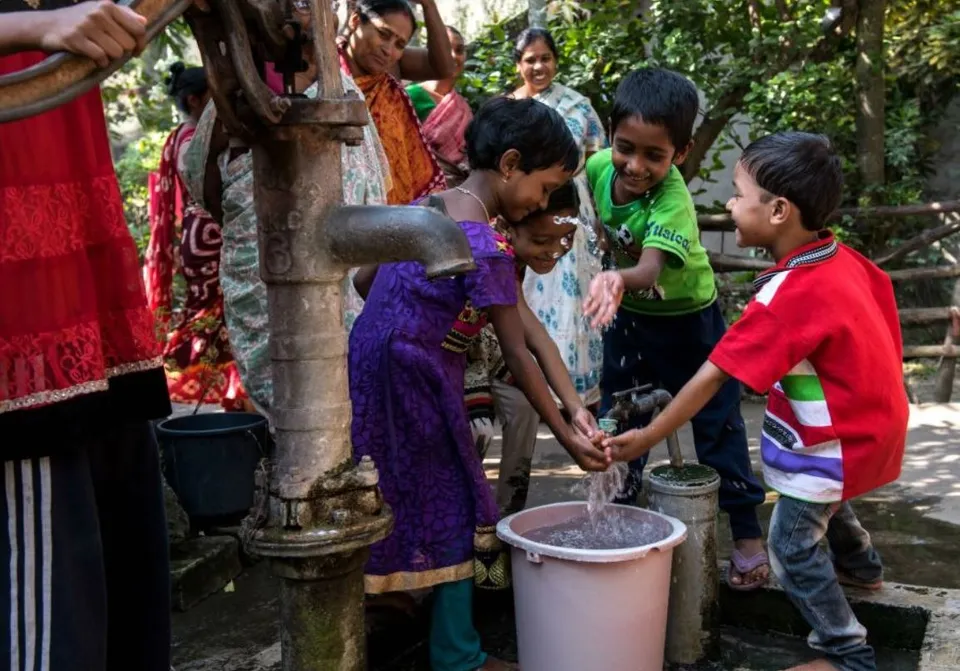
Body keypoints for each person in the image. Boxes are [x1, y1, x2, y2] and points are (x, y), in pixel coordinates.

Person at [599, 132, 909, 671]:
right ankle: (861, 566)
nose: (729, 204)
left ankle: (847, 651)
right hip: (870, 426)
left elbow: (711, 377)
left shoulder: (785, 297)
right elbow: (882, 305)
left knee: (790, 548)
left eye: (739, 194)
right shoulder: (840, 257)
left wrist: (647, 437)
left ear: (779, 210)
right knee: (827, 500)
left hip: (834, 443)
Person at [349, 97, 606, 671]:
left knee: (380, 489)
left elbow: (367, 279)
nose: (543, 202)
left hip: (372, 364)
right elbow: (517, 352)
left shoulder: (429, 206)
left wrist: (572, 406)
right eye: (544, 188)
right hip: (416, 376)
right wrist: (570, 440)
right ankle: (459, 656)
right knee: (459, 499)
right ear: (511, 164)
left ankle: (398, 609)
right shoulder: (484, 245)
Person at [0, 2, 178, 669]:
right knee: (48, 615)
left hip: (85, 280)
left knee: (123, 585)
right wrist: (29, 26)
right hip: (23, 312)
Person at [582, 67, 769, 589]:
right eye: (626, 148)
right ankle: (617, 516)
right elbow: (600, 219)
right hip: (632, 319)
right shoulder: (598, 166)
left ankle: (748, 535)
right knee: (618, 412)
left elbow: (647, 271)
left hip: (691, 324)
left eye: (654, 156)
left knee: (717, 423)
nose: (635, 165)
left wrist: (614, 276)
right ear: (611, 133)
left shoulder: (672, 202)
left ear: (680, 154)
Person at [179, 4, 391, 415]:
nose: (303, 12)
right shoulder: (235, 96)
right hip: (264, 279)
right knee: (291, 403)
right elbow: (204, 185)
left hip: (346, 280)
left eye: (313, 5)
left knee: (348, 404)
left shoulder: (343, 93)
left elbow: (375, 186)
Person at [511, 27, 605, 408]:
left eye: (545, 58)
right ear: (518, 65)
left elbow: (599, 160)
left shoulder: (578, 105)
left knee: (573, 296)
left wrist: (599, 215)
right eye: (530, 59)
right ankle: (530, 388)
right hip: (528, 212)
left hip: (573, 210)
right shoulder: (510, 109)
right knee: (530, 292)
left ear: (556, 61)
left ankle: (577, 395)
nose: (538, 66)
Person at [144, 62, 247, 410]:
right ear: (193, 101)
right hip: (209, 231)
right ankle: (210, 385)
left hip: (196, 233)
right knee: (216, 314)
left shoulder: (176, 136)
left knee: (209, 313)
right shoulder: (192, 139)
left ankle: (221, 386)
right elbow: (199, 182)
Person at [479, 182, 583, 515]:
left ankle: (507, 519)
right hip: (449, 348)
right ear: (510, 227)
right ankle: (466, 519)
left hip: (486, 339)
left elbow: (537, 337)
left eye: (566, 238)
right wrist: (568, 436)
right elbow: (522, 351)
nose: (555, 250)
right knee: (475, 430)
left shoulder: (516, 255)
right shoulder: (493, 250)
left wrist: (577, 411)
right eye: (542, 240)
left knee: (525, 405)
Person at [338, 0, 453, 204]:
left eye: (400, 44)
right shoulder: (322, 64)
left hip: (391, 215)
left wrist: (429, 6)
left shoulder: (390, 75)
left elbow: (444, 68)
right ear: (355, 21)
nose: (388, 51)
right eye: (383, 34)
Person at [406, 25, 472, 187]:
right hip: (418, 190)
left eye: (459, 50)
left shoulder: (463, 108)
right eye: (446, 48)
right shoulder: (410, 96)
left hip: (460, 191)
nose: (454, 56)